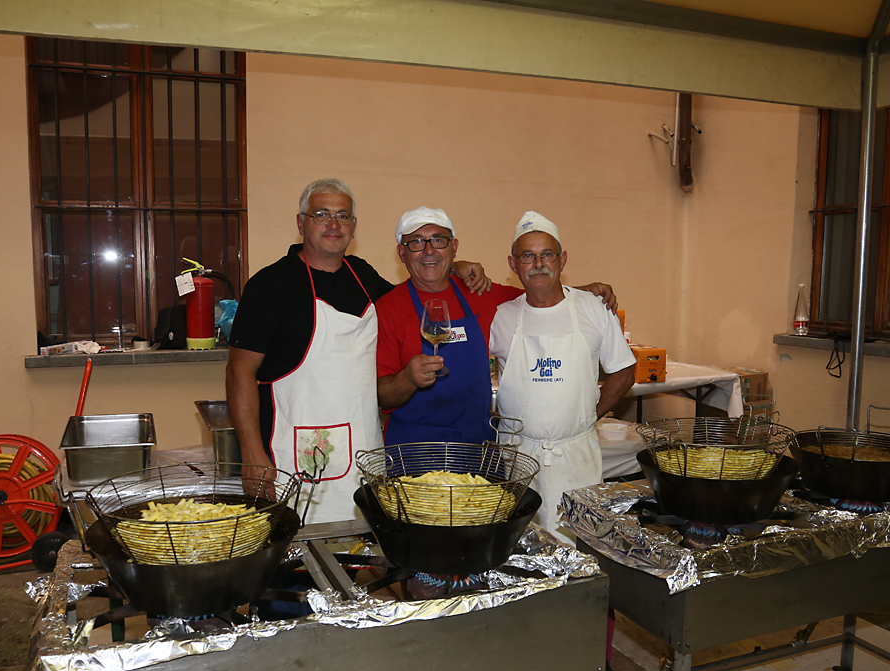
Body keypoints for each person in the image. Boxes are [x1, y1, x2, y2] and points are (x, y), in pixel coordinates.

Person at [225, 180, 489, 524]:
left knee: (361, 551)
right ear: (300, 222)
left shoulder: (362, 275)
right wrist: (251, 453)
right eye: (322, 214)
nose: (333, 225)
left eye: (343, 216)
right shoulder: (270, 285)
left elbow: (415, 289)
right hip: (293, 455)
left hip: (364, 448)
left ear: (353, 226)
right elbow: (238, 372)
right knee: (299, 554)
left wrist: (452, 263)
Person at [376, 207, 618, 446]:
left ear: (454, 247)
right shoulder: (387, 308)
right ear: (401, 252)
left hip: (476, 444)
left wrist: (583, 294)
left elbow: (541, 293)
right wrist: (407, 379)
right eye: (416, 242)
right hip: (413, 446)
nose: (429, 250)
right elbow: (381, 395)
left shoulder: (481, 292)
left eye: (439, 240)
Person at [489, 211, 636, 537]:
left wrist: (587, 417)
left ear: (562, 260)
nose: (538, 263)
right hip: (519, 457)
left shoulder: (594, 308)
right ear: (514, 265)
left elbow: (624, 372)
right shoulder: (500, 316)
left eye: (547, 254)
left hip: (576, 456)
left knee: (579, 542)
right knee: (520, 547)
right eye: (527, 255)